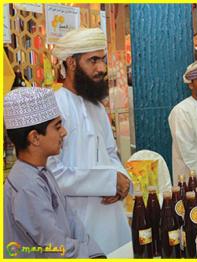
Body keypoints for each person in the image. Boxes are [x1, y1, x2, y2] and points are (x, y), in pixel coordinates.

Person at [47, 28, 132, 254]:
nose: (102, 68)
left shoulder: (96, 106)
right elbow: (53, 174)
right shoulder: (55, 106)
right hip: (78, 220)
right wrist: (108, 180)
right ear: (71, 63)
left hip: (112, 216)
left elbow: (110, 153)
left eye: (102, 60)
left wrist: (121, 181)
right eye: (93, 60)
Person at [3, 87, 104, 258]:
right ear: (35, 138)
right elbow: (55, 247)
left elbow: (71, 222)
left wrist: (94, 253)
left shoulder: (42, 172)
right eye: (57, 127)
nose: (64, 132)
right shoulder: (27, 186)